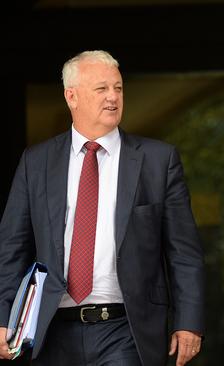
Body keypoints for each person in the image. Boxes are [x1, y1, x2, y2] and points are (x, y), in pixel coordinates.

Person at [0, 50, 204, 366]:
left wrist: (188, 320)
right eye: (101, 89)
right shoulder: (36, 162)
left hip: (126, 328)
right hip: (51, 329)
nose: (113, 97)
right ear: (72, 96)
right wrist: (3, 315)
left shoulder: (157, 160)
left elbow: (183, 251)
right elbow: (12, 246)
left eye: (118, 88)